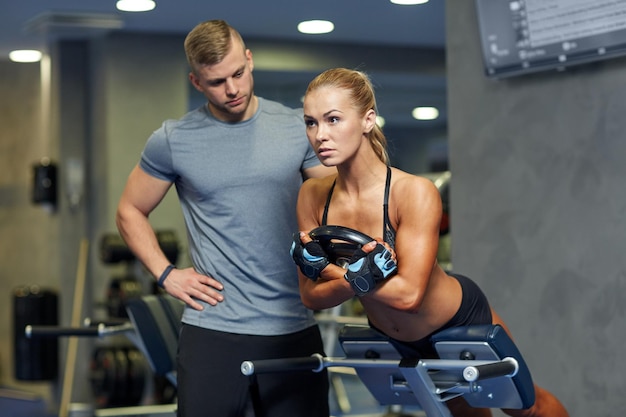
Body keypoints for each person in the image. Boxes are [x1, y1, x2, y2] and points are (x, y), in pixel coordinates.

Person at [291, 67, 569, 417]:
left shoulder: (413, 192)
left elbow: (409, 296)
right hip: (398, 339)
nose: (320, 135)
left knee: (525, 409)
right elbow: (309, 295)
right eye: (311, 122)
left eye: (333, 119)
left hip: (457, 322)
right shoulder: (312, 196)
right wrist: (357, 276)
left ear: (368, 120)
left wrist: (333, 273)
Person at [116, 20, 335, 417]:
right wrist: (167, 274)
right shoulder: (173, 139)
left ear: (249, 61)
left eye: (237, 73)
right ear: (196, 82)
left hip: (293, 326)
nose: (232, 89)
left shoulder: (296, 128)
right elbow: (130, 210)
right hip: (214, 331)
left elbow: (339, 203)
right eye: (217, 81)